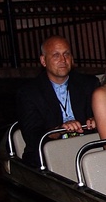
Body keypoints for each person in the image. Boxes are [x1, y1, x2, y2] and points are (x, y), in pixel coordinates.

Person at [15, 35, 99, 167]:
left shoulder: (89, 83)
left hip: (87, 151)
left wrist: (97, 120)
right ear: (43, 61)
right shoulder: (29, 92)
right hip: (48, 157)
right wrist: (59, 130)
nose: (63, 60)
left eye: (66, 54)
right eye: (56, 55)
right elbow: (32, 136)